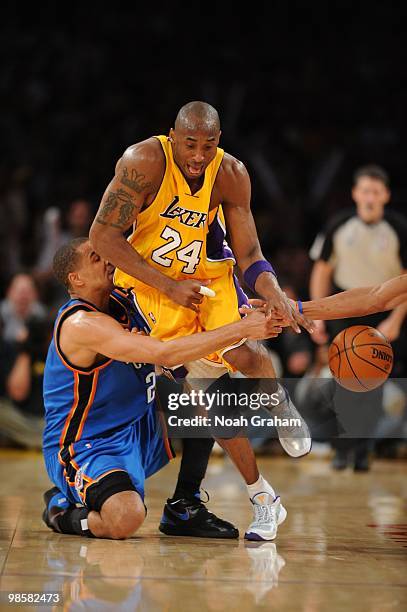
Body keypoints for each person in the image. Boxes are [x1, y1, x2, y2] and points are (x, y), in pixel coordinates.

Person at [89, 100, 312, 537]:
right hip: (154, 286)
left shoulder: (230, 173)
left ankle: (280, 406)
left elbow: (249, 253)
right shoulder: (144, 161)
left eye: (207, 146)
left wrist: (275, 293)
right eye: (190, 144)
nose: (197, 155)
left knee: (248, 355)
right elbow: (102, 234)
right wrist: (169, 286)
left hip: (206, 273)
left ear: (218, 142)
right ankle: (262, 496)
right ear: (173, 137)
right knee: (206, 393)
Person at [42, 237, 286, 540]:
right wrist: (241, 329)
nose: (107, 259)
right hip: (88, 443)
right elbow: (165, 353)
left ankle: (185, 506)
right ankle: (61, 510)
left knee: (204, 394)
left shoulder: (128, 299)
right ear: (74, 279)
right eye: (95, 257)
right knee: (126, 518)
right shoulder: (80, 324)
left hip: (139, 425)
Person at [309, 165, 407, 470]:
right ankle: (342, 448)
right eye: (365, 190)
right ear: (355, 194)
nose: (369, 197)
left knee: (374, 383)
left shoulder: (399, 229)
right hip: (346, 307)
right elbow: (322, 270)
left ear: (385, 196)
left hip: (386, 310)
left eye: (376, 192)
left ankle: (364, 450)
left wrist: (396, 320)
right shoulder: (339, 225)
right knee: (342, 382)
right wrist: (318, 313)